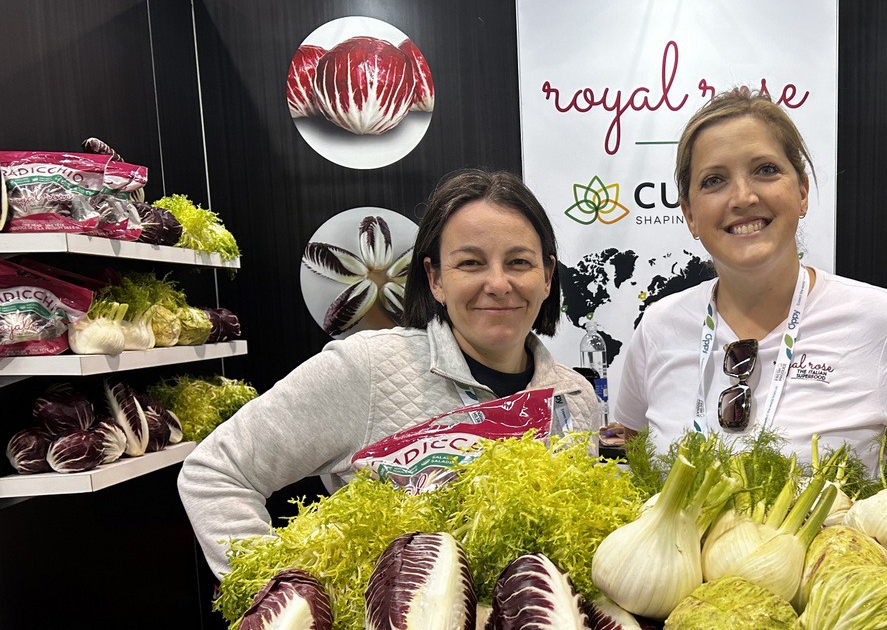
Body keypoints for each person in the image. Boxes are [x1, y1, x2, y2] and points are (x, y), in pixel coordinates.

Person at [179, 169, 598, 577]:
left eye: (519, 262)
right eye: (471, 263)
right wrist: (283, 595)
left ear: (547, 277)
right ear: (435, 279)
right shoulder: (368, 368)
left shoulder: (576, 398)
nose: (499, 283)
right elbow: (216, 471)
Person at [611, 87, 887, 472]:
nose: (742, 197)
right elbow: (629, 457)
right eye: (714, 180)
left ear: (802, 191)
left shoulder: (881, 322)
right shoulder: (658, 327)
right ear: (690, 215)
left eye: (766, 170)